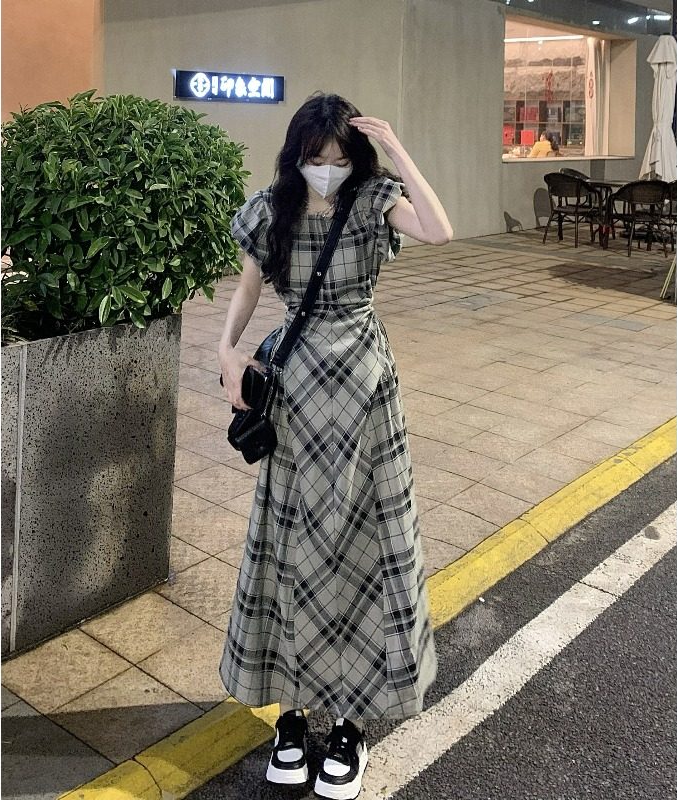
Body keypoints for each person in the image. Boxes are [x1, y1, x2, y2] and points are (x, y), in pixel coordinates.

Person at [217, 92, 453, 800]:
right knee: (293, 547)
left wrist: (398, 150)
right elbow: (248, 289)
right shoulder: (272, 209)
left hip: (363, 390)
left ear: (356, 158)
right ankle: (291, 717)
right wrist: (227, 350)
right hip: (295, 391)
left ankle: (349, 723)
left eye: (338, 158)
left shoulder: (376, 200)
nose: (326, 169)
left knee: (362, 547)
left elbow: (439, 230)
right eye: (314, 157)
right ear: (295, 154)